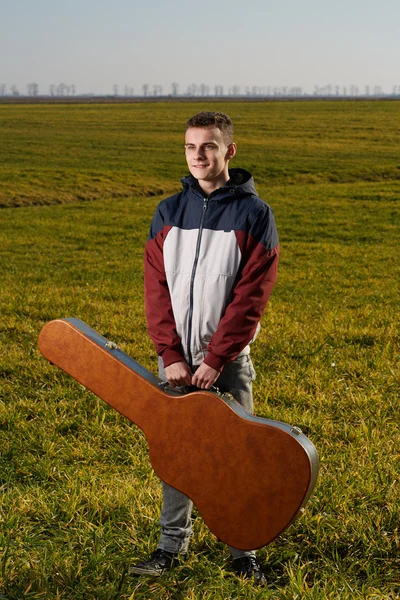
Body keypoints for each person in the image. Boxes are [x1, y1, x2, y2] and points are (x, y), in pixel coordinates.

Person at [130, 111, 279, 584]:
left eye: (209, 146)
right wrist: (170, 354)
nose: (199, 155)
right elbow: (156, 288)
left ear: (228, 151)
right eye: (191, 146)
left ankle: (243, 552)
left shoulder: (255, 214)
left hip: (228, 362)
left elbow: (251, 295)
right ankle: (169, 546)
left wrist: (217, 358)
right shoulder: (168, 212)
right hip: (175, 362)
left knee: (238, 452)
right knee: (177, 454)